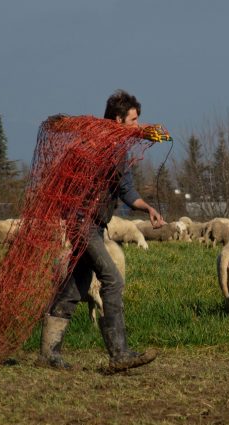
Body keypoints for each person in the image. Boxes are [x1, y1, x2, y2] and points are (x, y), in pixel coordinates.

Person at [37, 89, 164, 372]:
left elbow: (126, 190)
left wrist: (147, 208)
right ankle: (119, 353)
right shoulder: (94, 144)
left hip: (95, 224)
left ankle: (48, 354)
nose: (137, 125)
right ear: (118, 120)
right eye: (133, 120)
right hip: (82, 222)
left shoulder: (120, 150)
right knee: (113, 279)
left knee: (75, 286)